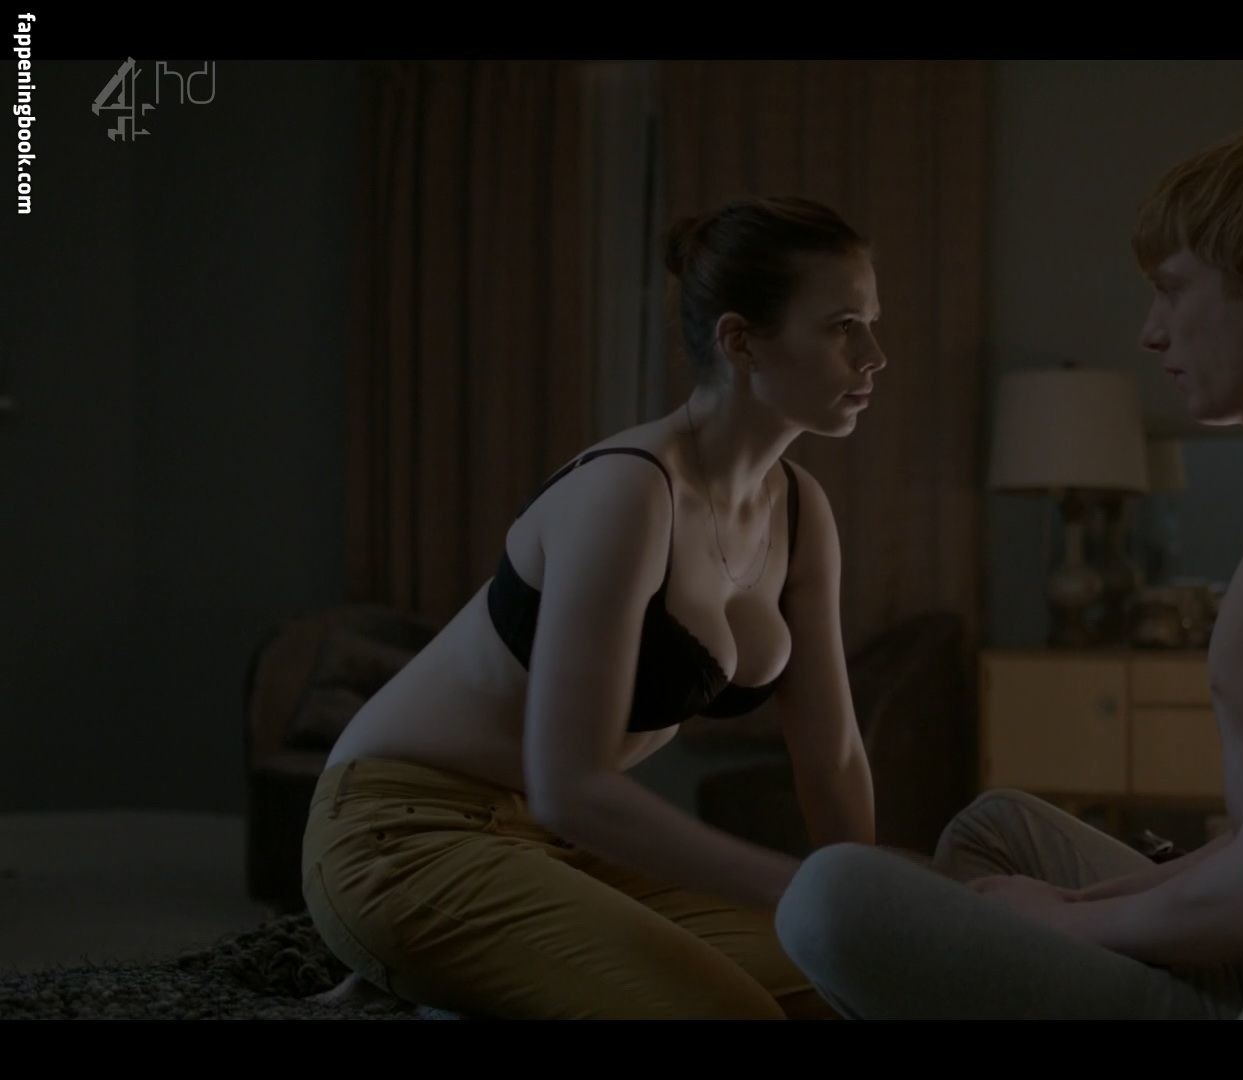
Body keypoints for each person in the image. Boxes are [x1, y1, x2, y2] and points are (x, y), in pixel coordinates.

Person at [773, 127, 1243, 1019]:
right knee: (996, 829)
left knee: (829, 896)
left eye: (1172, 290)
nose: (1151, 331)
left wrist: (1061, 925)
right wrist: (1070, 903)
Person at [303, 195, 887, 1019]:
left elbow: (832, 761)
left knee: (851, 994)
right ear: (740, 341)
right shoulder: (629, 491)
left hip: (554, 846)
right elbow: (569, 786)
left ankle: (459, 984)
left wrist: (866, 924)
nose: (874, 356)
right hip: (403, 830)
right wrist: (796, 886)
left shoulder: (801, 510)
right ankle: (422, 960)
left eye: (871, 325)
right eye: (843, 327)